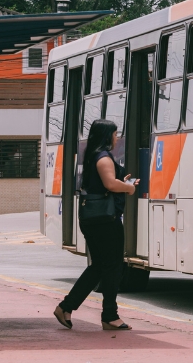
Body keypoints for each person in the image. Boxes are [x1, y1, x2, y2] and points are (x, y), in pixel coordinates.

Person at [54, 120, 140, 331]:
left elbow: (104, 183)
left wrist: (123, 181)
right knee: (113, 267)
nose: (116, 137)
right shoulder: (103, 157)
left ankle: (66, 307)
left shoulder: (93, 155)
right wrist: (128, 189)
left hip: (92, 219)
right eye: (114, 133)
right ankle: (110, 315)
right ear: (107, 135)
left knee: (99, 267)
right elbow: (110, 184)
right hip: (105, 220)